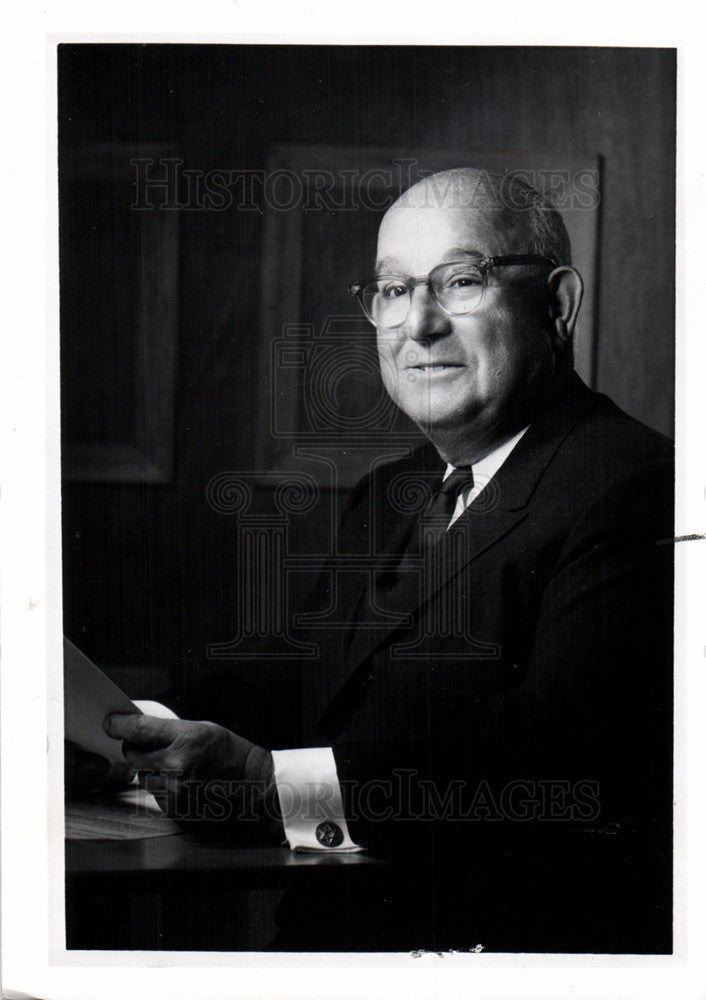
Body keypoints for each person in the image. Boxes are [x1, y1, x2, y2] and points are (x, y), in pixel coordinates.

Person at [103, 168, 673, 953]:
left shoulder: (637, 485)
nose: (419, 324)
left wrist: (276, 789)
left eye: (461, 282)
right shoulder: (395, 489)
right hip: (332, 944)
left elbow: (558, 751)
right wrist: (126, 734)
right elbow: (319, 680)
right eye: (393, 289)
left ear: (559, 304)